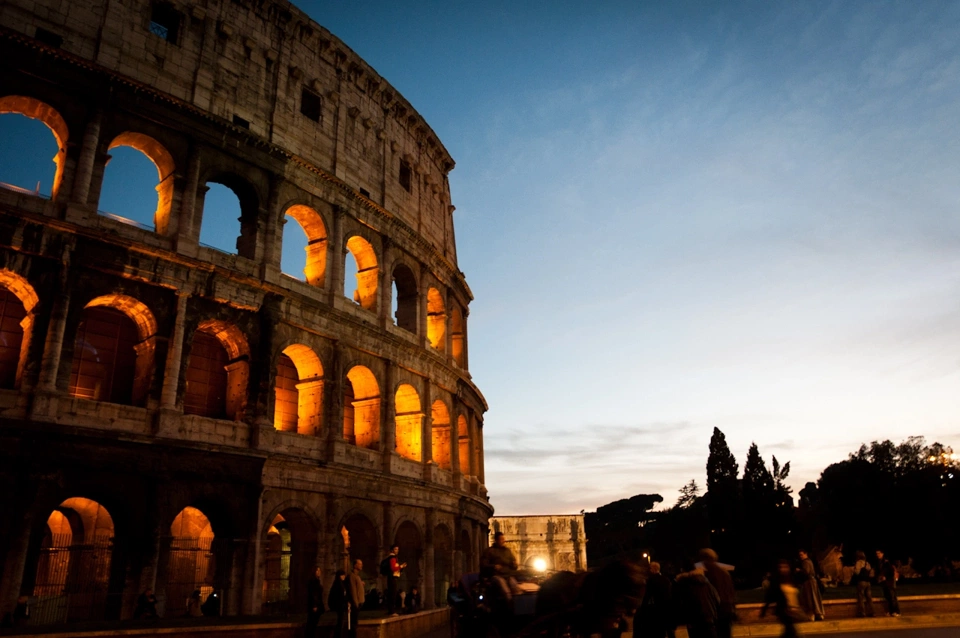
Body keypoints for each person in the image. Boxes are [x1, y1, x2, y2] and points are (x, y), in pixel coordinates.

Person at [761, 560, 805, 638]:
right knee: (791, 631)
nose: (783, 569)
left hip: (794, 610)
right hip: (784, 611)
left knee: (789, 633)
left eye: (785, 567)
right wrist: (764, 610)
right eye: (781, 567)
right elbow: (769, 595)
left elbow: (797, 593)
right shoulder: (776, 581)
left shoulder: (792, 579)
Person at [674, 562, 719, 638]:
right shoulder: (707, 583)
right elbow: (717, 599)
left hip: (693, 620)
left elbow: (679, 602)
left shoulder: (684, 584)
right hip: (709, 619)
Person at [699, 549, 736, 638]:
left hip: (715, 611)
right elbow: (731, 592)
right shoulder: (724, 572)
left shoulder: (705, 573)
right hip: (727, 609)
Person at [633, 561, 674, 638]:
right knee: (668, 630)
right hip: (667, 608)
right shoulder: (666, 579)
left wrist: (642, 607)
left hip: (657, 609)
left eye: (649, 568)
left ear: (653, 569)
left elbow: (647, 596)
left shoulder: (651, 580)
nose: (648, 570)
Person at [481, 532, 521, 600]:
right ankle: (509, 605)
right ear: (496, 540)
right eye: (501, 539)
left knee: (516, 588)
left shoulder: (507, 551)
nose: (503, 541)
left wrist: (514, 564)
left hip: (507, 575)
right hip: (495, 575)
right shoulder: (489, 551)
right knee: (506, 591)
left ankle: (518, 605)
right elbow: (483, 565)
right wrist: (494, 566)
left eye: (503, 539)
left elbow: (513, 565)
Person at [796, 550, 824, 621]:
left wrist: (799, 570)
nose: (800, 556)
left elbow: (806, 572)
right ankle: (818, 614)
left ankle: (812, 615)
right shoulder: (809, 561)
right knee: (814, 598)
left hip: (809, 582)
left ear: (806, 554)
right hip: (812, 582)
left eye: (801, 555)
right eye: (800, 555)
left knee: (810, 599)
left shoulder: (806, 562)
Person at [382, 545, 406, 616]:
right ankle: (391, 611)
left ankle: (391, 610)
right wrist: (401, 566)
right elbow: (393, 568)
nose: (397, 550)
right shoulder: (392, 558)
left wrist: (401, 567)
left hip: (392, 577)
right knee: (392, 594)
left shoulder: (393, 558)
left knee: (392, 594)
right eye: (395, 549)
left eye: (397, 549)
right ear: (392, 550)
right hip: (392, 578)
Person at [875, 550, 900, 617]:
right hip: (884, 583)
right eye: (877, 553)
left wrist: (886, 577)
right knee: (888, 597)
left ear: (882, 553)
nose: (877, 555)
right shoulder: (879, 562)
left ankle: (896, 611)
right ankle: (891, 611)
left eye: (879, 553)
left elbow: (891, 571)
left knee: (892, 597)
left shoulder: (886, 561)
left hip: (890, 582)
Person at [347, 559, 365, 637]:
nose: (361, 565)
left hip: (359, 602)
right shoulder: (352, 576)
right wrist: (356, 603)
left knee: (355, 622)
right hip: (355, 604)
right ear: (355, 565)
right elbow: (353, 590)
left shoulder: (357, 576)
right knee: (353, 623)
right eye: (359, 564)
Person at [853, 551, 874, 618]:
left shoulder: (858, 563)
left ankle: (862, 613)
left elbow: (857, 572)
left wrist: (854, 570)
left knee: (861, 597)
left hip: (861, 581)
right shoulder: (867, 563)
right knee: (869, 598)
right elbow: (871, 573)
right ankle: (871, 612)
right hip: (868, 582)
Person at [328, 569, 349, 638]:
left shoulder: (342, 584)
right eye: (342, 575)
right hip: (339, 606)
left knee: (341, 621)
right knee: (340, 622)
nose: (343, 576)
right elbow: (339, 596)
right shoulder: (337, 584)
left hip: (341, 605)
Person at [305, 566, 325, 637]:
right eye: (317, 571)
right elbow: (313, 594)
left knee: (313, 623)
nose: (319, 572)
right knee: (312, 623)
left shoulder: (317, 581)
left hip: (317, 604)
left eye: (319, 570)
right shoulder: (313, 581)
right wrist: (314, 605)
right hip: (314, 605)